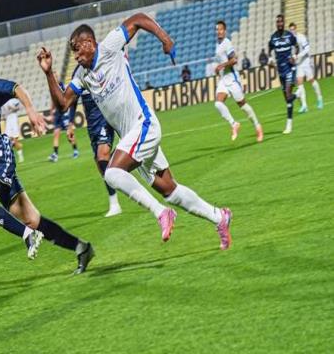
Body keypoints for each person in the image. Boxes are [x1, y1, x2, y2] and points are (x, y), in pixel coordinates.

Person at [38, 14, 232, 250]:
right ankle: (219, 217)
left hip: (144, 125)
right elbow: (63, 103)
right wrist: (48, 72)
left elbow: (138, 19)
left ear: (89, 43)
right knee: (169, 189)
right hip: (132, 137)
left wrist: (165, 38)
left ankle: (161, 213)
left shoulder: (109, 46)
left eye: (77, 50)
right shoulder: (81, 75)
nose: (76, 56)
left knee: (112, 173)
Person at [0, 35, 94, 273]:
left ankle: (27, 236)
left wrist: (31, 111)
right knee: (33, 219)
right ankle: (81, 248)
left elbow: (16, 88)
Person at [68, 86, 122, 217]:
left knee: (102, 157)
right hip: (92, 124)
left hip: (105, 119)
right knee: (100, 163)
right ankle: (120, 160)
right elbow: (73, 99)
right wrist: (70, 124)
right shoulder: (78, 76)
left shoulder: (99, 73)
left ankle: (115, 204)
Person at [213, 21, 263, 142]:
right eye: (217, 29)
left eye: (221, 29)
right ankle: (234, 124)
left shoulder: (227, 43)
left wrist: (222, 66)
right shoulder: (217, 44)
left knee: (243, 105)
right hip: (223, 80)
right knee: (218, 103)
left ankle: (257, 126)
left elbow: (234, 60)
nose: (219, 31)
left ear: (225, 31)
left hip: (232, 79)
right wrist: (219, 69)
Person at [268, 15, 299, 134]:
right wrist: (270, 60)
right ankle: (298, 95)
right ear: (276, 24)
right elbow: (269, 49)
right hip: (280, 71)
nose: (279, 24)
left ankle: (289, 125)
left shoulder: (289, 35)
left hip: (290, 69)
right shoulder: (273, 37)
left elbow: (297, 47)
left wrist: (294, 56)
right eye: (278, 22)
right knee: (287, 99)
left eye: (281, 22)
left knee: (288, 94)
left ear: (284, 23)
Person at [288, 23, 323, 113]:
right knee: (300, 83)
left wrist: (298, 56)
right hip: (298, 63)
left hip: (306, 61)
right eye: (290, 30)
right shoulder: (289, 40)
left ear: (296, 29)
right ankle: (304, 106)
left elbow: (307, 49)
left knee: (311, 80)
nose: (292, 31)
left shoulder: (301, 37)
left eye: (293, 29)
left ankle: (319, 98)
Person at [46, 73, 79, 162]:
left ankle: (75, 150)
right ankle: (55, 154)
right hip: (57, 113)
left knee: (69, 133)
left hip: (64, 112)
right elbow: (53, 101)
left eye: (55, 76)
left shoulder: (63, 87)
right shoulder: (53, 87)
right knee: (56, 133)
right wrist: (51, 112)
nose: (54, 78)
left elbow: (67, 98)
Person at [2, 98, 24, 163]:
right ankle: (16, 145)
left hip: (13, 118)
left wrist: (13, 107)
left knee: (15, 139)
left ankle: (20, 156)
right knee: (7, 139)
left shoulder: (13, 100)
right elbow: (3, 113)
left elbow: (20, 107)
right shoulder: (3, 101)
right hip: (8, 120)